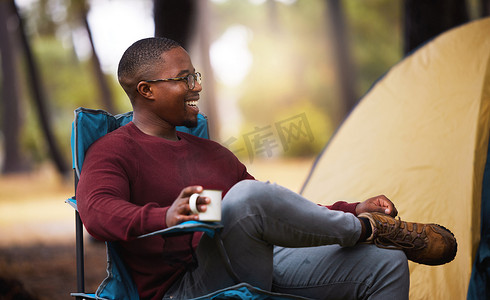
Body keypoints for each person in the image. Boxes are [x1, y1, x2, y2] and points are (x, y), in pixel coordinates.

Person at [77, 37, 457, 300]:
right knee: (243, 197)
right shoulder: (114, 151)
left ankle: (364, 227)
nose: (196, 87)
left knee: (386, 264)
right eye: (184, 79)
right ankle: (366, 231)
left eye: (196, 77)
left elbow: (270, 212)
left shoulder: (211, 153)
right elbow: (96, 213)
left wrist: (350, 208)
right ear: (147, 90)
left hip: (255, 261)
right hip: (182, 287)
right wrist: (167, 215)